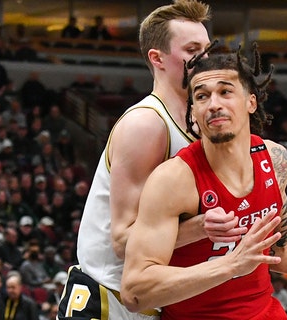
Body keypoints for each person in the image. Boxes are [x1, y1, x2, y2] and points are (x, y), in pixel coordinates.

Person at [121, 44, 287, 319]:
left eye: (225, 92)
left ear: (251, 102)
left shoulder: (274, 160)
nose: (214, 104)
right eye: (201, 96)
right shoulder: (173, 180)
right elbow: (134, 290)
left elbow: (282, 248)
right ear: (193, 112)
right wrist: (231, 266)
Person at [58, 1, 242, 319]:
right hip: (109, 299)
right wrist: (203, 227)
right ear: (157, 59)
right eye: (192, 50)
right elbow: (122, 240)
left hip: (153, 299)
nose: (206, 60)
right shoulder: (146, 125)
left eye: (207, 49)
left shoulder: (201, 126)